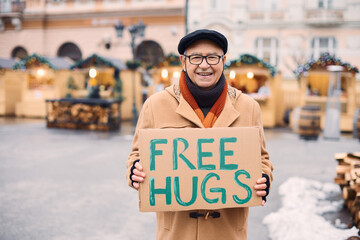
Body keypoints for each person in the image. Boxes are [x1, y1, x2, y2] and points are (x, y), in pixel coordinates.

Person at [126, 29, 274, 240]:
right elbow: (135, 157)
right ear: (183, 61)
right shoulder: (155, 105)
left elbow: (263, 160)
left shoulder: (248, 107)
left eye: (212, 57)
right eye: (195, 57)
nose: (204, 65)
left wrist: (264, 180)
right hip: (176, 233)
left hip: (228, 232)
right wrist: (134, 172)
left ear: (223, 60)